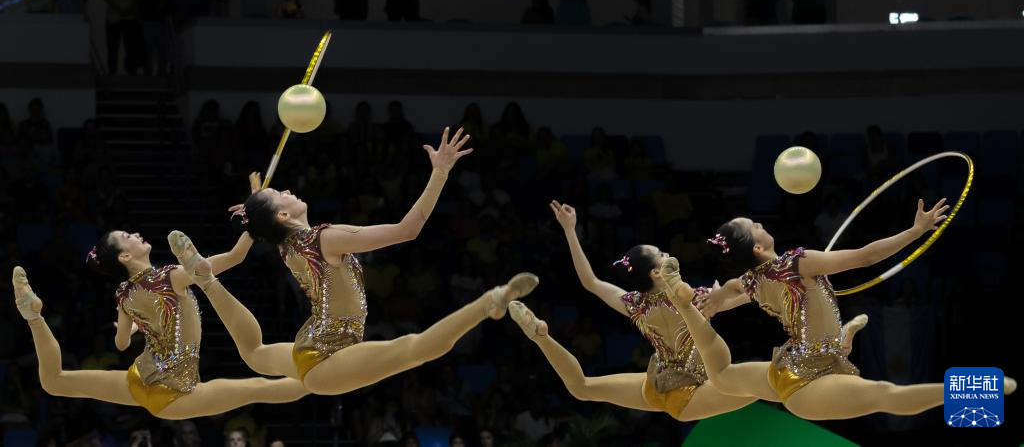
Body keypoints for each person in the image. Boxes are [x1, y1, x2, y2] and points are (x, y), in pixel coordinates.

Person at [175, 129, 539, 397]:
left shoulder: (286, 246)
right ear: (283, 216)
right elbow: (407, 230)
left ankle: (207, 281)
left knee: (255, 355)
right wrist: (440, 172)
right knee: (415, 349)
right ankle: (490, 301)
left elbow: (264, 227)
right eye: (280, 193)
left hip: (313, 348)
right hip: (328, 360)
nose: (287, 190)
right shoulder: (325, 239)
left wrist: (256, 207)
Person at [661, 198, 1018, 420]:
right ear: (756, 247)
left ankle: (842, 336)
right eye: (754, 225)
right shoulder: (797, 263)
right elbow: (865, 257)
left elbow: (725, 296)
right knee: (886, 395)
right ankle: (979, 391)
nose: (760, 223)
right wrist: (915, 232)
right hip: (806, 384)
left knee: (722, 377)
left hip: (792, 364)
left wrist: (708, 302)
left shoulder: (751, 281)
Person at [509, 202, 786, 423]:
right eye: (662, 254)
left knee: (582, 387)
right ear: (656, 272)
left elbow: (590, 282)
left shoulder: (635, 303)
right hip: (690, 396)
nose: (667, 254)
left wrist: (570, 231)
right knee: (771, 383)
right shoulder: (691, 298)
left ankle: (541, 337)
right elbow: (742, 296)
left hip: (654, 388)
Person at [11, 228, 307, 418]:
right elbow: (234, 257)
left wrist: (135, 327)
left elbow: (121, 344)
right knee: (260, 387)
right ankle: (321, 379)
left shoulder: (123, 295)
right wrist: (254, 224)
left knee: (54, 381)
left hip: (138, 382)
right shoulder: (171, 277)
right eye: (128, 236)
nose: (136, 233)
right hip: (177, 394)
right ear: (125, 255)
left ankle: (34, 317)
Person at [103, 0, 144, 74]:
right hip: (113, 17)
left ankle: (131, 70)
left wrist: (129, 10)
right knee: (112, 45)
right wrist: (119, 10)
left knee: (131, 46)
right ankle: (112, 71)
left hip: (129, 17)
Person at [140, 0, 172, 76]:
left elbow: (171, 0)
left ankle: (162, 72)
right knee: (148, 48)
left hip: (163, 20)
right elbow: (141, 1)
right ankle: (148, 72)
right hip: (148, 19)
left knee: (163, 48)